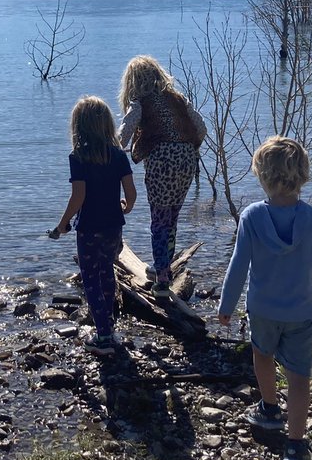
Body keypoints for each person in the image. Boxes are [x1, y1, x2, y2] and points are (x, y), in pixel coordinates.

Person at [216, 135, 312, 460]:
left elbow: (238, 265)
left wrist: (226, 305)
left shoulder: (252, 217)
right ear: (302, 175)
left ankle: (270, 408)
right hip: (300, 311)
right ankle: (296, 446)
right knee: (299, 377)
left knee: (262, 355)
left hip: (262, 309)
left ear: (262, 175)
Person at [48, 95, 137, 356]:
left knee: (91, 280)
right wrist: (127, 207)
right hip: (113, 226)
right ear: (107, 125)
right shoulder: (119, 156)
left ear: (79, 126)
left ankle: (104, 337)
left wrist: (62, 224)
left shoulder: (78, 157)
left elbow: (78, 197)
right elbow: (130, 193)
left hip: (88, 228)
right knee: (107, 273)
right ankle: (109, 327)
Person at [116, 55, 206, 295]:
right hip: (187, 160)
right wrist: (186, 149)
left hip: (162, 163)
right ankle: (162, 267)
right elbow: (201, 127)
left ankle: (163, 281)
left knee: (159, 219)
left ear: (132, 82)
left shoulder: (139, 102)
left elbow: (123, 135)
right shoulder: (178, 99)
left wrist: (109, 151)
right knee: (172, 216)